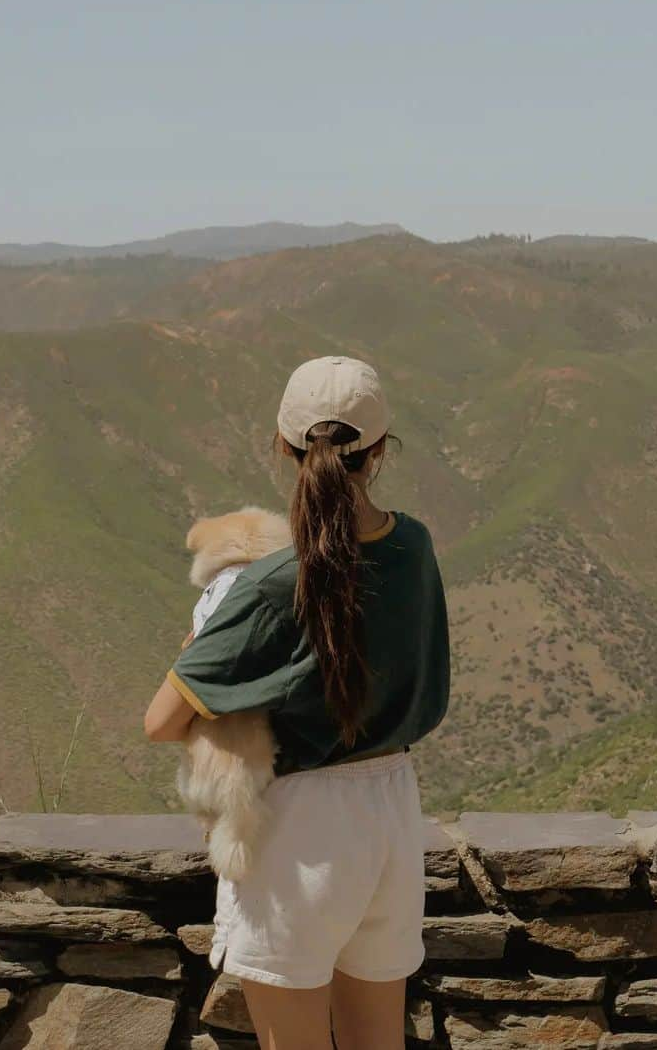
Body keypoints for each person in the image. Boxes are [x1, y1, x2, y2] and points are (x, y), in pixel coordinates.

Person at [144, 355, 450, 1050]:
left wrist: (207, 639)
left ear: (284, 447)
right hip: (393, 812)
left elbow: (161, 723)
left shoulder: (273, 582)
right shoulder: (415, 546)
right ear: (379, 450)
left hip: (299, 829)